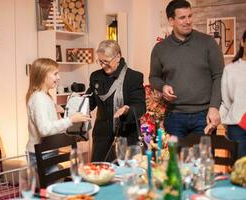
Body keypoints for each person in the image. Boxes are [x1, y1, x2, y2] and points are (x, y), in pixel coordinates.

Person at [149, 0, 224, 138]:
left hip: (204, 115)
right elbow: (153, 77)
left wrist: (214, 107)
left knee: (202, 159)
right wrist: (163, 86)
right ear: (171, 20)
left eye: (190, 16)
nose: (188, 21)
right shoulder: (160, 49)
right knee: (174, 159)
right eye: (182, 17)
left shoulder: (208, 43)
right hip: (174, 117)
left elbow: (219, 76)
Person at [25, 58, 91, 170]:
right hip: (42, 154)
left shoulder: (45, 97)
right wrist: (70, 120)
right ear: (43, 75)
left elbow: (53, 125)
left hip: (48, 152)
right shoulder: (39, 98)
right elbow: (44, 130)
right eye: (55, 74)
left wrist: (62, 114)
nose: (58, 77)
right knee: (52, 188)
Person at [87, 40, 146, 162]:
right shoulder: (95, 77)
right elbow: (90, 101)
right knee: (100, 174)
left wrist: (127, 110)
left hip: (126, 136)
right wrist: (72, 105)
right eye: (100, 61)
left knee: (125, 175)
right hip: (102, 137)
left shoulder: (133, 77)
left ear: (118, 56)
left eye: (106, 61)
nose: (103, 65)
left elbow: (140, 106)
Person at [220, 30, 246, 158]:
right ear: (243, 42)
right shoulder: (230, 70)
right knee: (239, 170)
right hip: (237, 127)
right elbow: (226, 100)